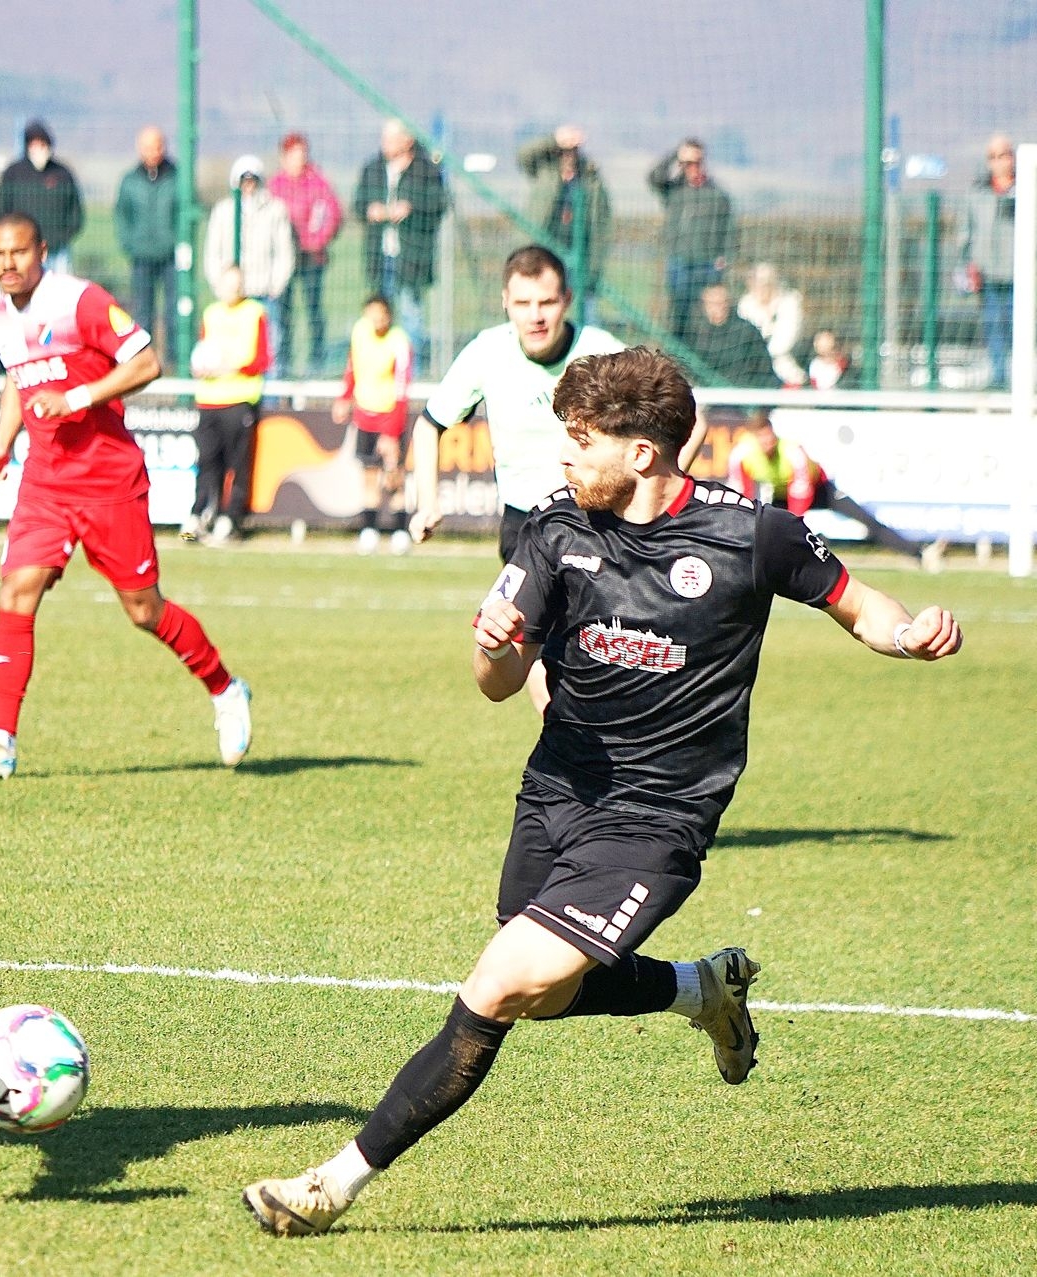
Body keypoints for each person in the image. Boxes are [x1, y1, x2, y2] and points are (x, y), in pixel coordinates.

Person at [242, 346, 964, 1237]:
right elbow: (496, 684)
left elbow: (859, 604)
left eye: (582, 441)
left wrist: (909, 633)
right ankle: (701, 989)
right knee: (544, 991)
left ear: (643, 453)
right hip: (556, 791)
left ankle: (329, 1185)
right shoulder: (555, 529)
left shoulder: (752, 535)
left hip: (658, 817)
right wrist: (495, 644)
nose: (564, 456)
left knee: (499, 985)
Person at [0, 213, 251, 781]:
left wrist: (78, 398)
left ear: (42, 251)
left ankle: (225, 688)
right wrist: (3, 445)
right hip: (46, 483)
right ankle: (0, 741)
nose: (8, 264)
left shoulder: (79, 301)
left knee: (144, 610)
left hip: (109, 481)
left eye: (19, 252)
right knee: (17, 591)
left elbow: (147, 362)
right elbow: (17, 380)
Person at [408, 246, 625, 564]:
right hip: (523, 525)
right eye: (523, 304)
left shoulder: (604, 353)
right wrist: (427, 503)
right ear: (505, 302)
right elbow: (428, 425)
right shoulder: (488, 350)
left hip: (597, 524)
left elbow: (686, 419)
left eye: (547, 302)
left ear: (567, 299)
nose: (535, 317)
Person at [727, 409, 926, 559]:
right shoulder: (742, 454)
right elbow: (742, 493)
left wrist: (792, 525)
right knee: (763, 526)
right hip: (783, 494)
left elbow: (801, 494)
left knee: (868, 521)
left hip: (820, 489)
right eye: (761, 438)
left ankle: (918, 553)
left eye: (769, 436)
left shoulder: (792, 452)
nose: (767, 442)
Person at [353, 120, 448, 364]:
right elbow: (358, 203)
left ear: (407, 141)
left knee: (410, 313)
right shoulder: (373, 169)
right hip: (379, 254)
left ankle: (409, 369)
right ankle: (379, 366)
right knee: (380, 312)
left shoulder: (425, 170)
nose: (385, 144)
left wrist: (411, 208)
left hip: (412, 256)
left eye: (391, 139)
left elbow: (439, 202)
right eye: (384, 139)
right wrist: (371, 210)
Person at [188, 265, 269, 545]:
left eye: (237, 284)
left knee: (237, 465)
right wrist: (201, 369)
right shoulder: (211, 313)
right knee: (207, 461)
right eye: (227, 283)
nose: (232, 289)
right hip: (209, 400)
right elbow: (201, 353)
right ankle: (198, 517)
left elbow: (261, 360)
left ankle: (230, 519)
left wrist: (229, 368)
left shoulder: (255, 312)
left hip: (239, 399)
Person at [331, 294, 414, 555]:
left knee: (394, 476)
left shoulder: (399, 341)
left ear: (389, 316)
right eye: (371, 315)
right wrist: (345, 397)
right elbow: (352, 368)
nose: (376, 320)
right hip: (365, 416)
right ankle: (369, 529)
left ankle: (400, 530)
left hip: (390, 417)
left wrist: (391, 432)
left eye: (381, 315)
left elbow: (401, 389)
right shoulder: (360, 333)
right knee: (369, 476)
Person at [203, 155, 296, 374]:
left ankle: (272, 389)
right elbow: (212, 252)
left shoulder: (275, 210)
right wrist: (221, 285)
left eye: (252, 180)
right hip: (232, 295)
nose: (248, 186)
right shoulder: (223, 211)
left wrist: (276, 285)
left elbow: (284, 251)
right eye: (243, 181)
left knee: (271, 346)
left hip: (264, 292)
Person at [518, 125, 612, 323]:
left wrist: (593, 268)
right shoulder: (546, 172)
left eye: (573, 152)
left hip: (576, 255)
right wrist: (554, 140)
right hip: (543, 250)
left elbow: (600, 225)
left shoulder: (589, 180)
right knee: (540, 303)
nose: (568, 157)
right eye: (564, 152)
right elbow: (524, 156)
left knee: (584, 310)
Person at [269, 133, 344, 375]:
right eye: (293, 154)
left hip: (312, 258)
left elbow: (332, 214)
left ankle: (316, 362)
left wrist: (315, 242)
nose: (298, 159)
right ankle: (283, 363)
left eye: (302, 154)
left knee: (314, 310)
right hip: (283, 259)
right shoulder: (275, 185)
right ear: (284, 157)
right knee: (282, 312)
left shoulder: (318, 182)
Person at [649, 138, 736, 340]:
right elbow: (654, 177)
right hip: (679, 261)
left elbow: (729, 230)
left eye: (696, 163)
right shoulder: (674, 191)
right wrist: (676, 154)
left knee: (705, 316)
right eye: (687, 164)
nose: (692, 168)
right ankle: (676, 353)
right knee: (678, 313)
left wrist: (724, 259)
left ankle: (699, 355)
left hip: (707, 264)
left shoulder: (717, 195)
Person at [114, 126, 180, 366]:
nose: (153, 152)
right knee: (143, 311)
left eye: (157, 146)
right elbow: (122, 215)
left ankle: (175, 361)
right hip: (141, 257)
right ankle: (144, 360)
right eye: (148, 147)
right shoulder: (130, 181)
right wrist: (130, 244)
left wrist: (176, 242)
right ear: (140, 149)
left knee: (174, 310)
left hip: (171, 257)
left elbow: (185, 212)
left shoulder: (177, 177)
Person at [961, 134, 1017, 390]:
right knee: (993, 324)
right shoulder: (978, 193)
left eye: (1002, 155)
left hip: (1018, 272)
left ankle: (1018, 378)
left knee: (1017, 324)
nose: (998, 162)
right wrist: (970, 263)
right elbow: (966, 230)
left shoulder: (1026, 189)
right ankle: (999, 376)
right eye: (992, 157)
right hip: (988, 272)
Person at [0, 120, 83, 274]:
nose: (39, 149)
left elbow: (75, 211)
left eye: (42, 144)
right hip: (22, 249)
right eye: (34, 145)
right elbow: (2, 208)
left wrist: (62, 237)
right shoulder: (14, 173)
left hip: (57, 250)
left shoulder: (62, 173)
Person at [685, 282, 780, 389]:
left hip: (744, 392)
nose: (719, 308)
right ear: (704, 305)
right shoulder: (696, 336)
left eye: (723, 302)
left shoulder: (747, 332)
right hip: (709, 395)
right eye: (713, 303)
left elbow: (764, 369)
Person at [737, 263, 806, 386]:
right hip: (752, 365)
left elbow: (785, 341)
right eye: (754, 283)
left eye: (763, 284)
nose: (758, 288)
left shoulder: (790, 302)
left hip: (786, 365)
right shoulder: (746, 303)